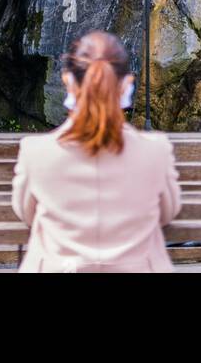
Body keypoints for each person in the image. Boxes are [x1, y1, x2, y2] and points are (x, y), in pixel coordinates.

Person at [11, 30, 181, 272]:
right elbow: (168, 212)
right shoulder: (156, 151)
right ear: (126, 85)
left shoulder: (35, 152)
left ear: (68, 81)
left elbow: (26, 213)